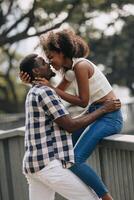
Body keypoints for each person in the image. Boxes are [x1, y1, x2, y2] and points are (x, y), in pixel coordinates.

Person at [19, 53, 121, 200]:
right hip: (48, 165)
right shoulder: (45, 92)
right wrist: (104, 109)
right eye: (43, 62)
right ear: (36, 71)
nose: (48, 63)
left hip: (32, 166)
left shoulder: (33, 92)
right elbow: (70, 126)